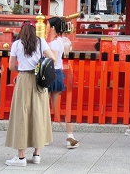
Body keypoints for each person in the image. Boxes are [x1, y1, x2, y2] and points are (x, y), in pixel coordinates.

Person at [4, 22, 57, 166]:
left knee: (22, 115)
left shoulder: (16, 44)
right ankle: (37, 154)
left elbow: (10, 66)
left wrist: (22, 68)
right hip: (39, 80)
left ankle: (21, 156)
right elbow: (53, 59)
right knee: (38, 114)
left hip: (23, 79)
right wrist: (39, 67)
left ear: (21, 31)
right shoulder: (41, 42)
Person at [46, 17, 78, 149]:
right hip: (58, 73)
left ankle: (45, 136)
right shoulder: (60, 41)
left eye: (48, 25)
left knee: (45, 106)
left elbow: (52, 59)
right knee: (56, 107)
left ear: (53, 28)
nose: (47, 27)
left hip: (50, 74)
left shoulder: (53, 44)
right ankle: (70, 135)